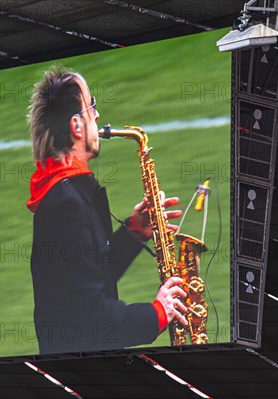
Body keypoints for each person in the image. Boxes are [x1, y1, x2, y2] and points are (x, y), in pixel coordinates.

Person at [26, 65, 188, 354]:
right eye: (92, 107)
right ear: (76, 125)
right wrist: (157, 313)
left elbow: (90, 277)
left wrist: (136, 229)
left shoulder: (70, 193)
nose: (98, 116)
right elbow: (91, 319)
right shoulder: (66, 205)